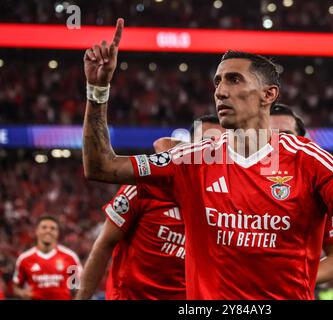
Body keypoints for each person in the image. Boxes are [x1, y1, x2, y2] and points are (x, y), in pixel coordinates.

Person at [82, 18, 333, 299]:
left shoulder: (311, 161)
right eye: (218, 82)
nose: (220, 91)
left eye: (234, 80)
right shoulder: (190, 161)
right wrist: (98, 90)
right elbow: (101, 167)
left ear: (268, 95)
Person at [76, 115, 224, 300]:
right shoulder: (145, 187)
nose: (211, 152)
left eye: (218, 146)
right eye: (205, 143)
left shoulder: (224, 201)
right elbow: (104, 244)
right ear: (189, 147)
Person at [270, 103, 333, 284]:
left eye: (286, 136)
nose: (278, 142)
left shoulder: (317, 188)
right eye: (270, 135)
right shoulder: (234, 177)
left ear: (302, 141)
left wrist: (285, 282)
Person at [13, 216, 82, 300]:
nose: (48, 231)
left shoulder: (70, 257)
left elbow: (77, 287)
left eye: (53, 228)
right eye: (44, 227)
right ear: (36, 231)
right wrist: (23, 293)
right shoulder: (24, 259)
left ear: (58, 233)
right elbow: (16, 287)